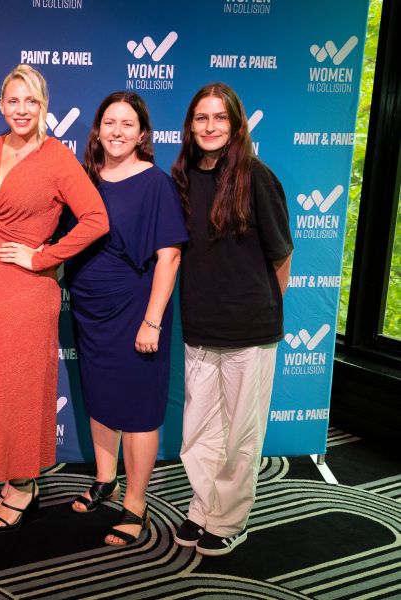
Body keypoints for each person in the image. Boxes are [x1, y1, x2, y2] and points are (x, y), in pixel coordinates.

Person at [0, 64, 109, 531]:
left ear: (44, 106)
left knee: (19, 391)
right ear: (1, 105)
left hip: (27, 292)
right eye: (13, 101)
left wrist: (44, 256)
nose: (21, 109)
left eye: (31, 101)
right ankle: (12, 481)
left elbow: (96, 218)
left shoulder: (57, 157)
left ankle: (23, 487)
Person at [171, 83, 292, 556]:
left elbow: (281, 255)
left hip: (251, 329)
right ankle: (204, 508)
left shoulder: (256, 177)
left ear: (236, 124)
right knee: (200, 431)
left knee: (241, 432)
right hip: (200, 326)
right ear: (190, 125)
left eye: (220, 118)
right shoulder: (182, 177)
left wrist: (261, 308)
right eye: (202, 118)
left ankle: (230, 519)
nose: (210, 126)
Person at [64, 92, 188, 546]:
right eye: (109, 123)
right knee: (100, 399)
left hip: (136, 311)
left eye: (127, 124)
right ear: (97, 130)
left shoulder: (155, 184)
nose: (117, 132)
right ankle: (106, 480)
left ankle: (136, 502)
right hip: (90, 311)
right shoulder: (84, 180)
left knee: (137, 411)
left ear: (142, 134)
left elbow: (170, 256)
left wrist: (152, 321)